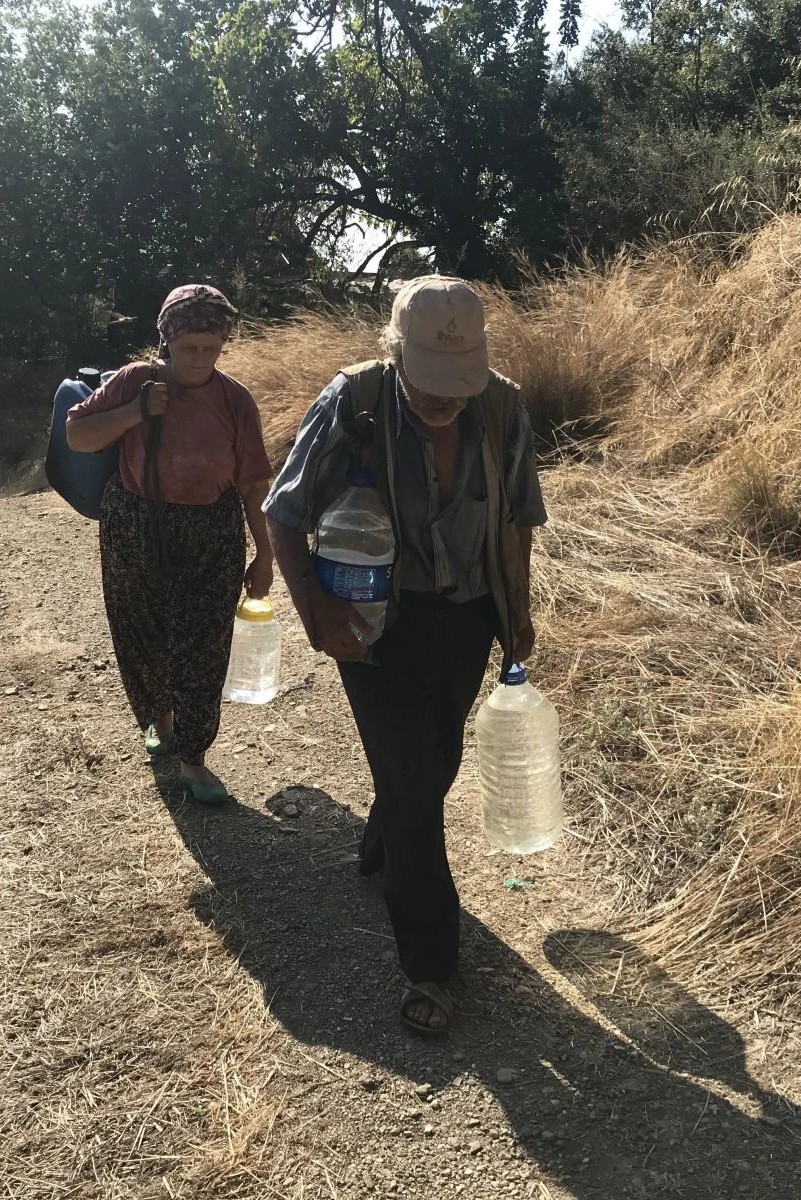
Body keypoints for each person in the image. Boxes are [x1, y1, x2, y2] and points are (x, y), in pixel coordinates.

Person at [264, 275, 547, 1036]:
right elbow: (284, 514)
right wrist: (315, 611)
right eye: (429, 386)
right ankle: (431, 965)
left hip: (468, 617)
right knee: (419, 782)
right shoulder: (352, 404)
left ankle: (384, 834)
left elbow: (519, 518)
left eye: (456, 387)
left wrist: (518, 611)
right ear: (395, 354)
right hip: (370, 622)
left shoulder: (500, 406)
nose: (442, 401)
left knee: (436, 759)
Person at [65, 284, 274, 804]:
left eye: (211, 347)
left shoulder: (235, 399)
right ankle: (159, 719)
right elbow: (78, 437)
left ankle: (194, 757)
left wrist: (265, 553)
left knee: (204, 645)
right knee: (142, 632)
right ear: (167, 343)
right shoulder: (138, 380)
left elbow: (252, 484)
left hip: (214, 531)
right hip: (135, 523)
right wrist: (135, 411)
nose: (200, 359)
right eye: (189, 349)